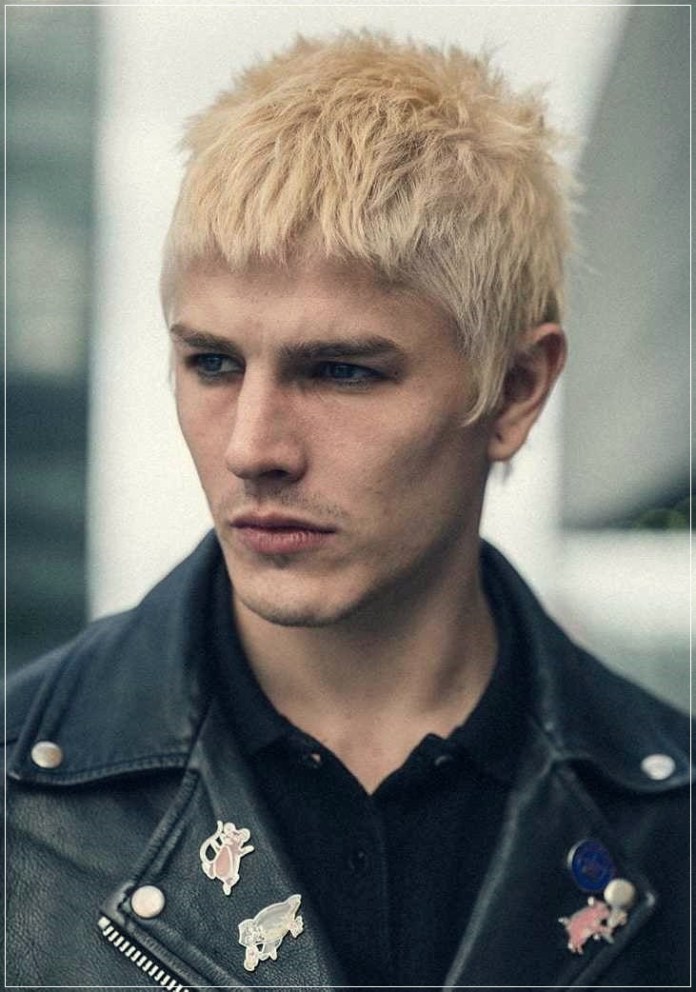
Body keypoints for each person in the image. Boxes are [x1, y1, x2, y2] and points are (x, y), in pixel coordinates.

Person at [6, 31, 691, 990]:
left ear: (515, 389)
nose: (252, 448)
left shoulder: (672, 824)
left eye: (340, 371)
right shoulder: (23, 805)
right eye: (212, 363)